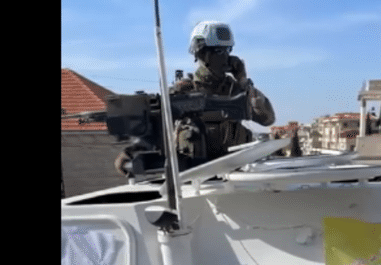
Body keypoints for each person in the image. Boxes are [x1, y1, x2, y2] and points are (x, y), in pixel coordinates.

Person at [115, 21, 275, 176]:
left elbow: (267, 118)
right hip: (195, 178)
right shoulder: (184, 91)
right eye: (219, 51)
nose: (227, 56)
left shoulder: (236, 89)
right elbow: (157, 126)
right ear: (203, 53)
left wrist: (244, 82)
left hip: (235, 174)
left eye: (228, 49)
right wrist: (131, 152)